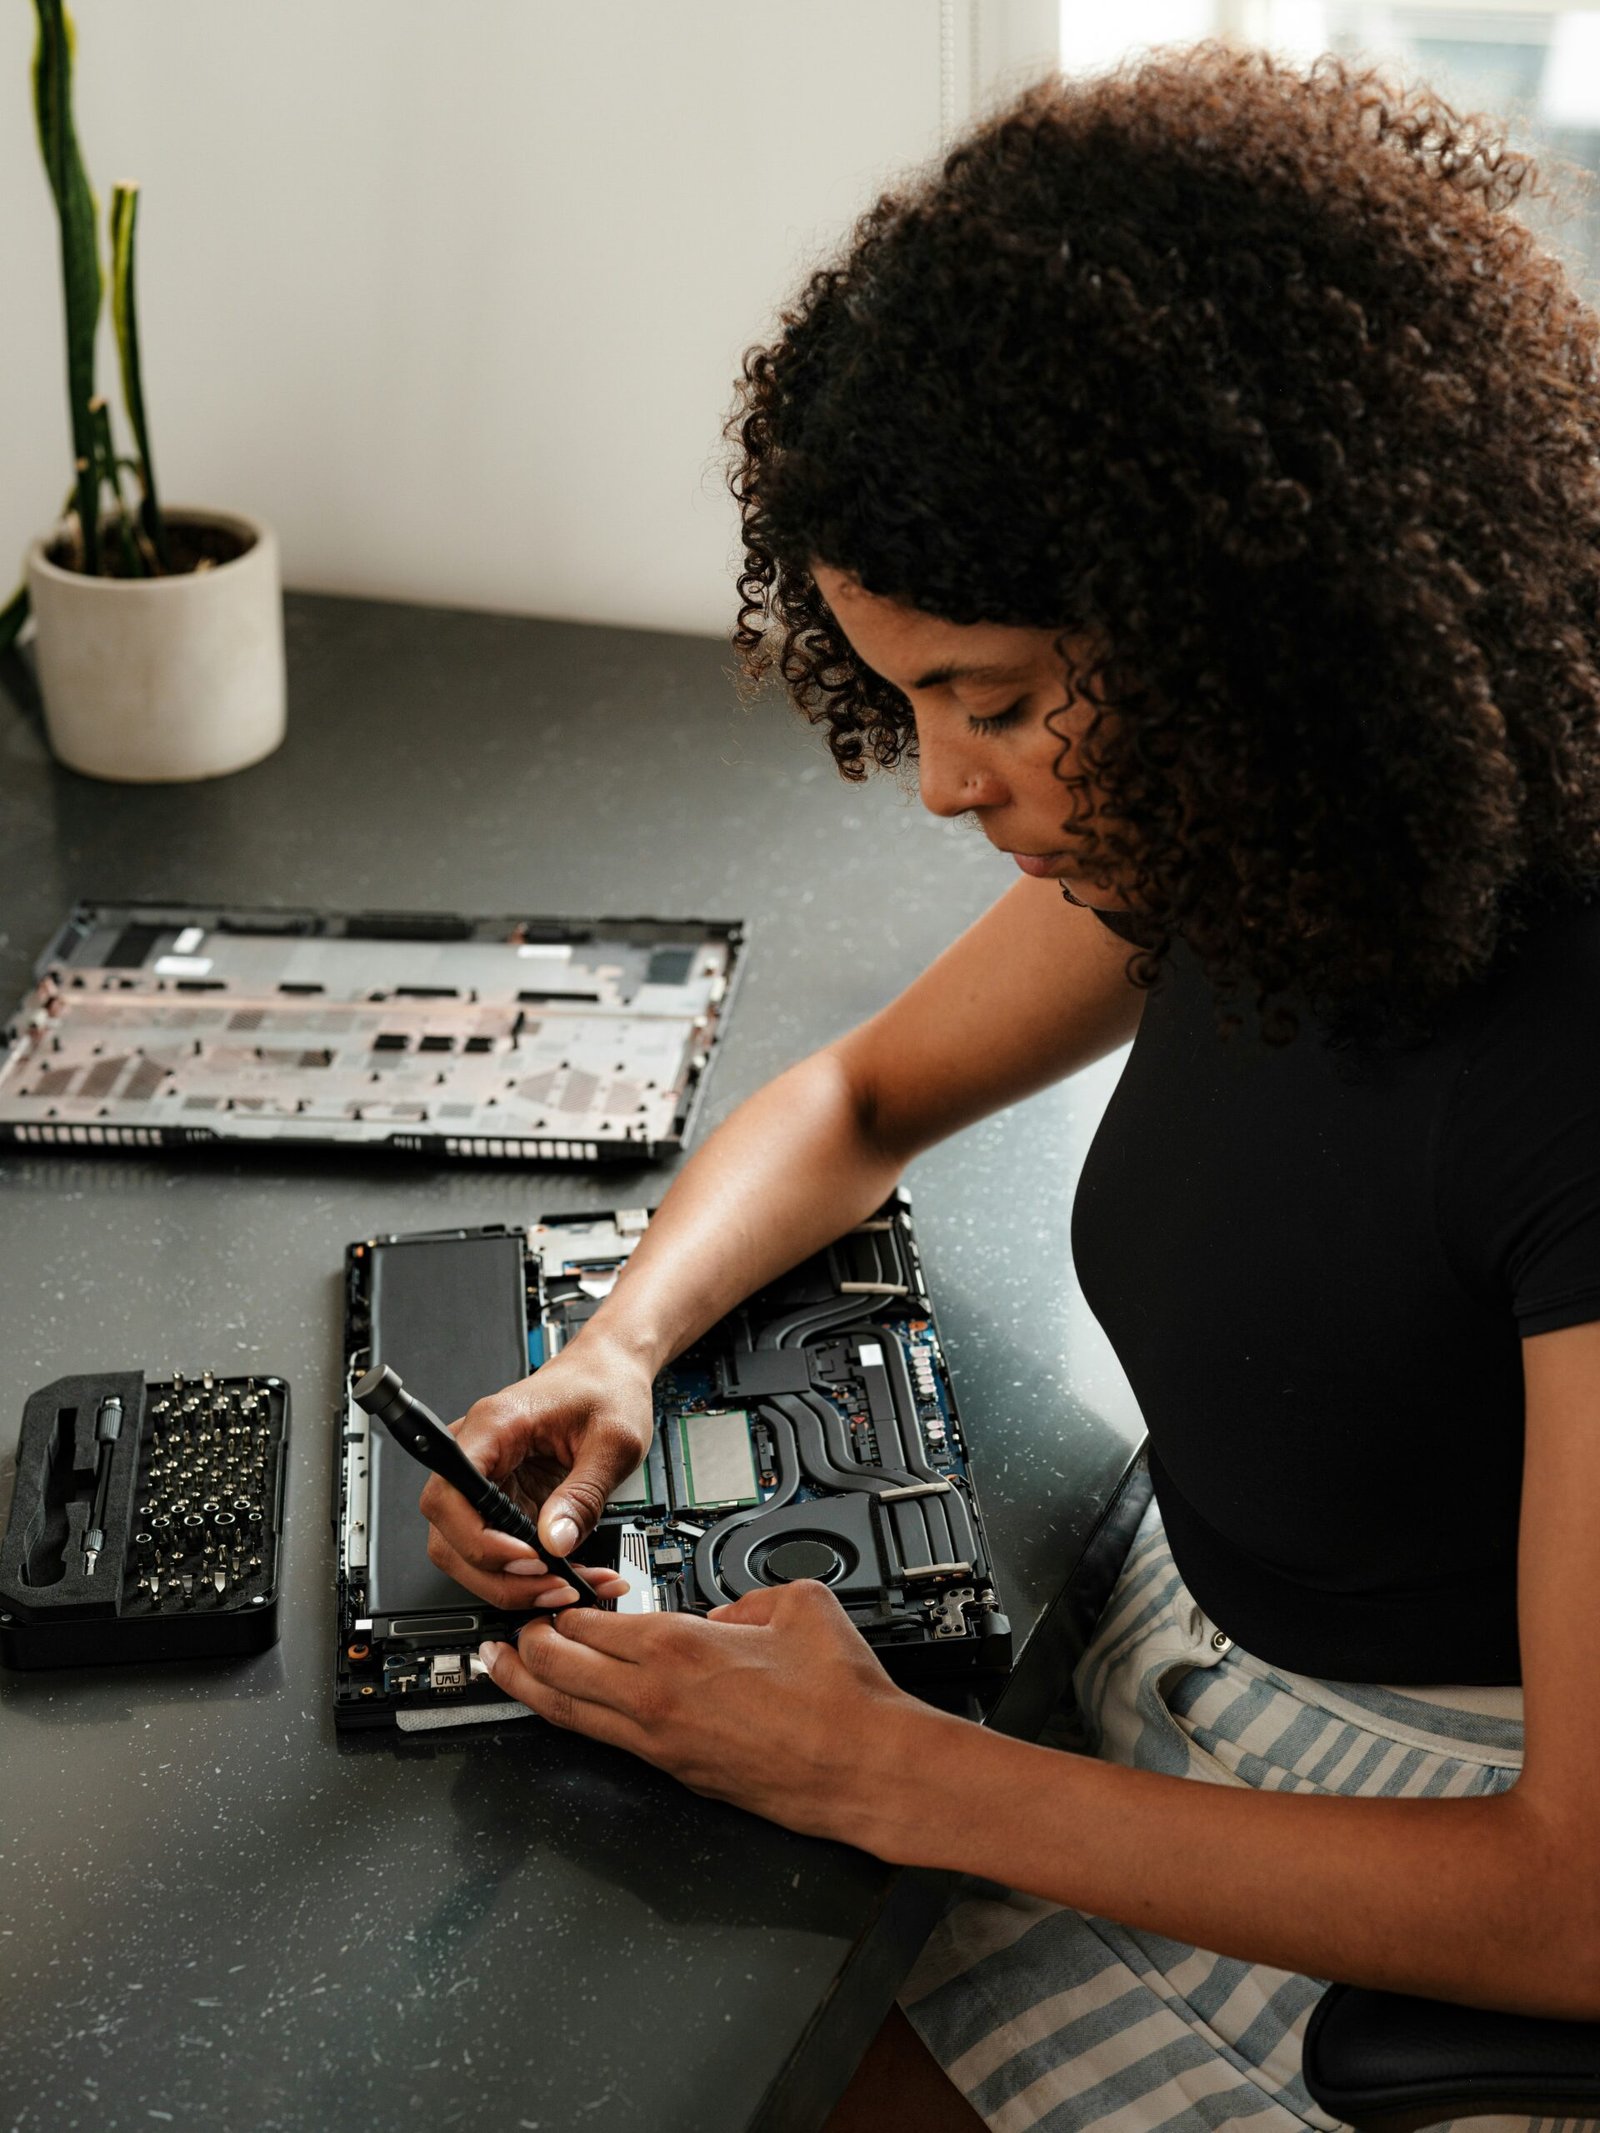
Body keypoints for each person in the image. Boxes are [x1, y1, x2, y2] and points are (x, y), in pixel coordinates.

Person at [423, 42, 1600, 2131]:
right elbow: (861, 1095)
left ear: (1246, 617)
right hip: (1178, 1689)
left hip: (1437, 1865)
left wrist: (891, 1769)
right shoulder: (1250, 824)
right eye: (908, 702)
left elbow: (1572, 1901)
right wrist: (618, 1343)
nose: (949, 782)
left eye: (995, 700)